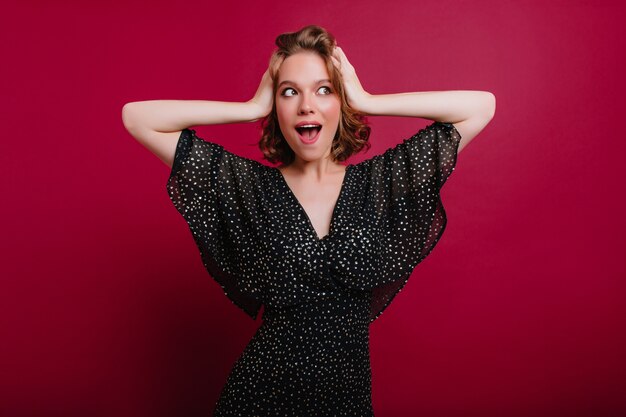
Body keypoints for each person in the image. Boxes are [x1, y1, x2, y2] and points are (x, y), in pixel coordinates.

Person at [122, 25, 495, 417]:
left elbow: (481, 106)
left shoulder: (379, 185)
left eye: (323, 89)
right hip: (258, 399)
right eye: (289, 91)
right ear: (277, 107)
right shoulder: (249, 188)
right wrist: (251, 107)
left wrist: (366, 98)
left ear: (341, 101)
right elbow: (137, 117)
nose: (306, 106)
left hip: (345, 402)